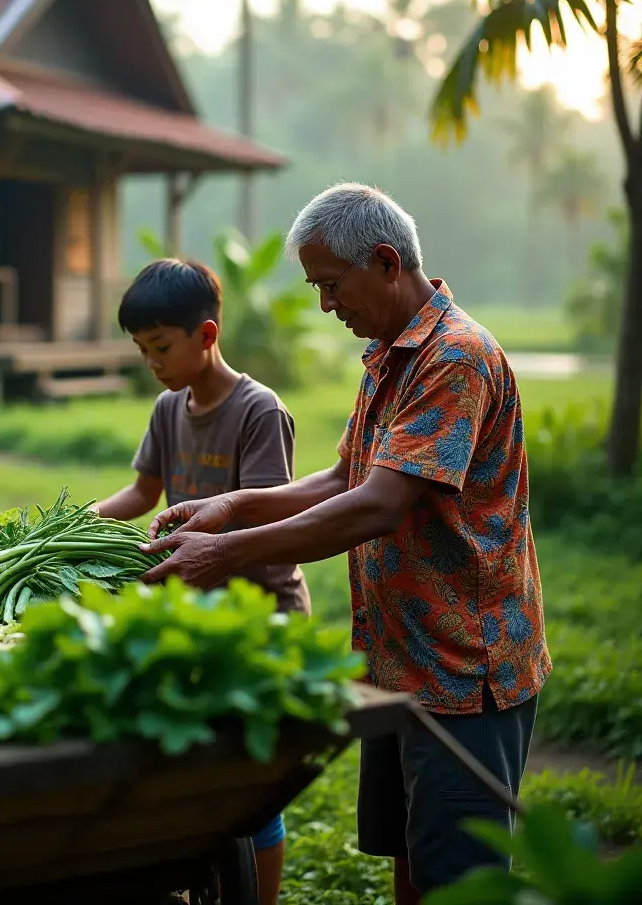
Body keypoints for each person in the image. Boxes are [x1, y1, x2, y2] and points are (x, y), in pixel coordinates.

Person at [140, 183, 550, 903]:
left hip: (464, 672)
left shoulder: (454, 357)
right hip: (400, 660)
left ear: (386, 262)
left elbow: (378, 506)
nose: (327, 305)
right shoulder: (390, 353)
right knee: (413, 860)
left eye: (331, 284)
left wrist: (227, 551)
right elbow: (344, 477)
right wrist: (232, 505)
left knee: (461, 882)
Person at [94, 257, 311, 905]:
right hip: (194, 617)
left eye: (161, 347)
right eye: (142, 349)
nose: (151, 362)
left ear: (207, 335)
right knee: (195, 778)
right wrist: (74, 523)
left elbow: (266, 512)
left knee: (251, 789)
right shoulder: (169, 409)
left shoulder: (258, 410)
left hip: (260, 616)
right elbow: (142, 492)